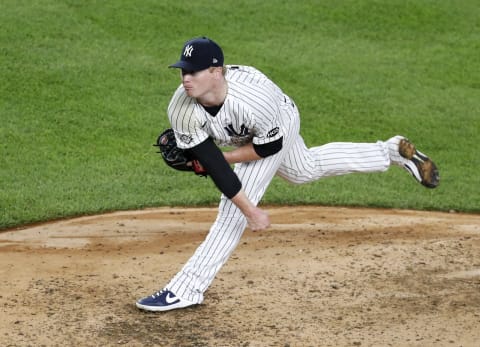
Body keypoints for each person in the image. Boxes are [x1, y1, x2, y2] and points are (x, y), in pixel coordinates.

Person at [136, 37, 440, 312]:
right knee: (303, 169)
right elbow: (213, 164)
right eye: (183, 71)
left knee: (234, 210)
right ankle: (389, 152)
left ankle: (187, 288)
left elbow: (264, 151)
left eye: (194, 72)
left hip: (277, 124)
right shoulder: (181, 107)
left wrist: (251, 210)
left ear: (217, 72)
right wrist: (214, 160)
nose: (186, 79)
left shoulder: (254, 101)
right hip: (251, 135)